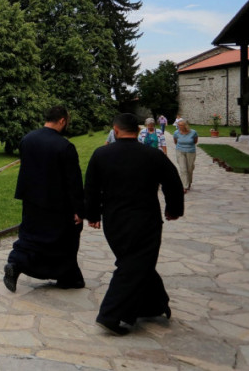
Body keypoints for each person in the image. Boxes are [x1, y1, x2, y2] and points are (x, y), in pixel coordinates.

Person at [84, 113, 184, 336]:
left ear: (116, 130)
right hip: (144, 220)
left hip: (114, 220)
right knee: (133, 264)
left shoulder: (101, 154)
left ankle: (154, 304)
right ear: (138, 131)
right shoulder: (152, 155)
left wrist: (92, 215)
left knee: (136, 261)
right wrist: (173, 208)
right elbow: (173, 181)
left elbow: (91, 187)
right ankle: (110, 316)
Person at [3, 105, 85, 293]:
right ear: (62, 120)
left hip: (31, 200)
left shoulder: (27, 139)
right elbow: (74, 181)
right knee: (64, 240)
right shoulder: (65, 146)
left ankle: (17, 263)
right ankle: (66, 276)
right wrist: (80, 209)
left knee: (31, 236)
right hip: (57, 204)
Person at [172, 118, 198, 193]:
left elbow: (195, 141)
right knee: (183, 169)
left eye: (181, 125)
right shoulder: (176, 133)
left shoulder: (193, 132)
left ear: (186, 125)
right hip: (180, 151)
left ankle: (189, 182)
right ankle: (184, 186)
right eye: (178, 125)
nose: (179, 126)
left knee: (190, 168)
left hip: (190, 151)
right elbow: (175, 142)